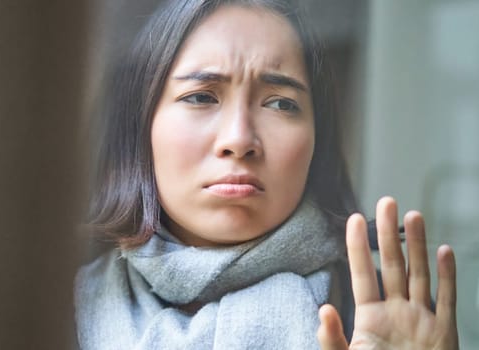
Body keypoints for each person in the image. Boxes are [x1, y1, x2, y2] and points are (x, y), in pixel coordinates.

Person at [75, 0, 459, 349]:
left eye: (280, 103)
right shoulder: (57, 313)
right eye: (201, 96)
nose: (239, 139)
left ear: (316, 142)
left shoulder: (382, 314)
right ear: (141, 127)